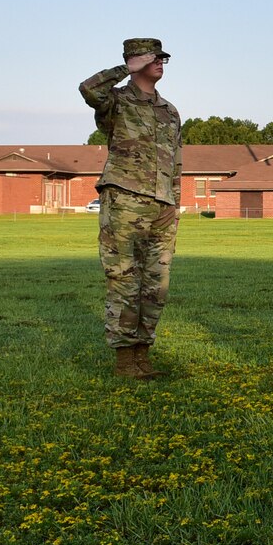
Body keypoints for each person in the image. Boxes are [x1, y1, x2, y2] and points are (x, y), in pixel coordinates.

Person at [78, 39, 182, 380]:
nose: (160, 63)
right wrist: (127, 69)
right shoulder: (117, 100)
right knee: (124, 279)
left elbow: (175, 161)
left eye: (162, 58)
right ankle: (125, 361)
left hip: (161, 206)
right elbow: (88, 88)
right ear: (133, 61)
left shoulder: (169, 110)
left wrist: (174, 202)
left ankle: (143, 355)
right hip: (125, 199)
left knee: (156, 284)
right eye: (153, 58)